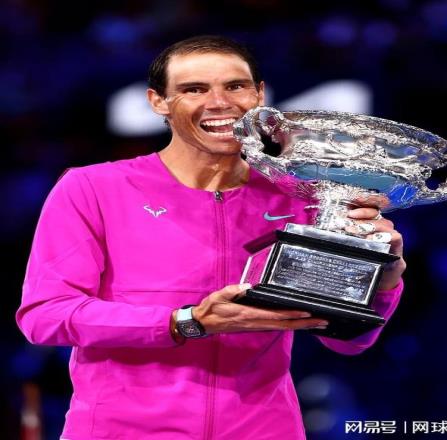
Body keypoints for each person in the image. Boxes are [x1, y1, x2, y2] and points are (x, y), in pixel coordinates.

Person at [17, 35, 406, 439]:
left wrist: (382, 280)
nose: (219, 102)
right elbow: (46, 315)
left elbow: (347, 342)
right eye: (194, 89)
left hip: (264, 430)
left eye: (235, 86)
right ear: (158, 102)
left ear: (259, 96)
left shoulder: (299, 197)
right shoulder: (93, 188)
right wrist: (186, 322)